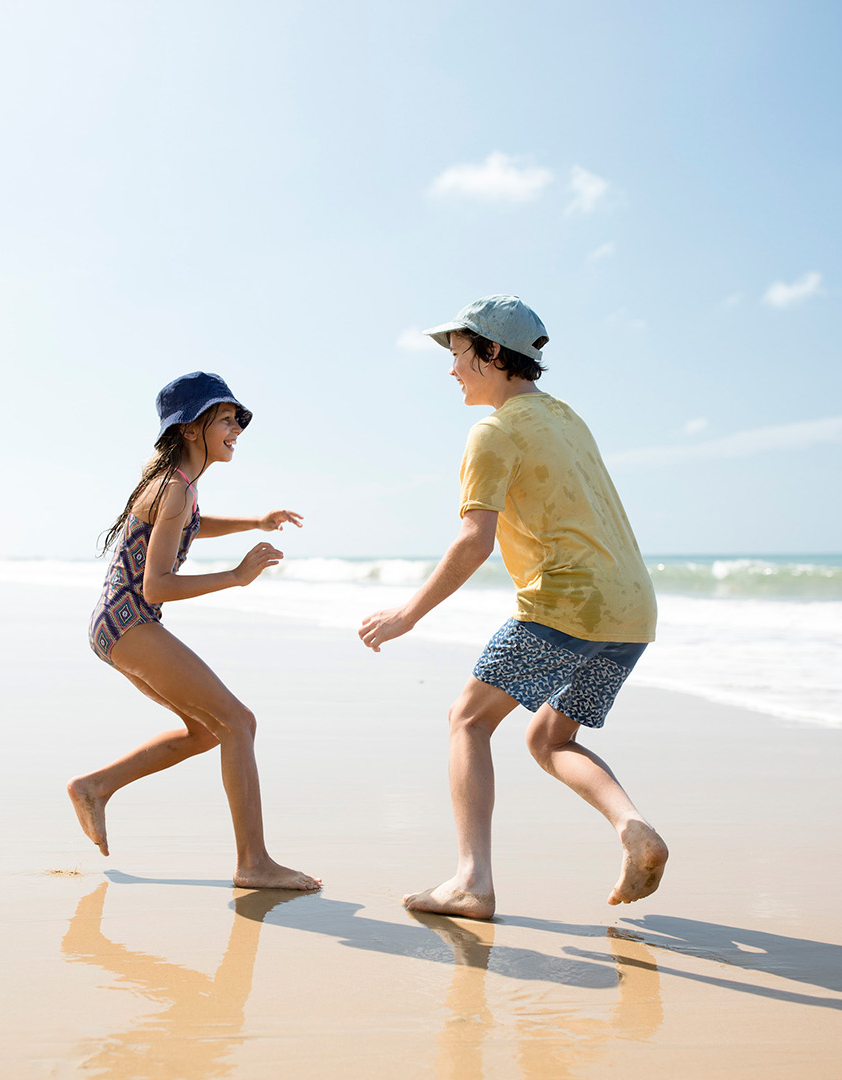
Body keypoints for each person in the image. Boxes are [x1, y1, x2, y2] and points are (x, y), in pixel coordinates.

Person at [358, 296, 665, 919]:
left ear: (493, 352)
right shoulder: (566, 416)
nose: (451, 369)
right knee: (550, 738)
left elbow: (474, 541)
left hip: (566, 602)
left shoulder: (493, 433)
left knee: (467, 720)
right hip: (632, 610)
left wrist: (406, 615)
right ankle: (633, 827)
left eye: (458, 354)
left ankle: (472, 881)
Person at [68, 371, 320, 892]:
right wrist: (236, 576)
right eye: (225, 419)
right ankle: (254, 863)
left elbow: (189, 524)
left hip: (116, 624)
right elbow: (157, 585)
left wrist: (255, 522)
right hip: (131, 622)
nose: (236, 430)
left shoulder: (176, 484)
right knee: (238, 722)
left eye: (236, 420)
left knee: (208, 729)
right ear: (189, 428)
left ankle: (95, 786)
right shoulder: (175, 489)